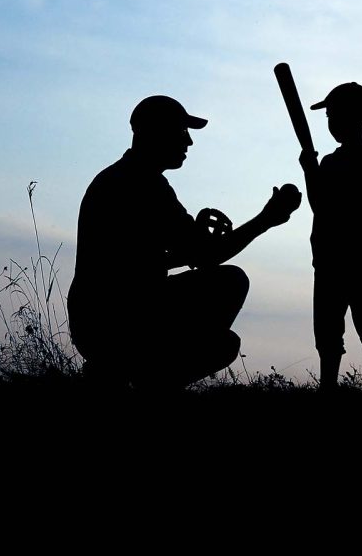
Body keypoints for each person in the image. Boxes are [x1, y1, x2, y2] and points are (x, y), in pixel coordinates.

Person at [68, 95, 302, 389]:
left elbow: (135, 261)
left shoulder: (121, 178)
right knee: (230, 288)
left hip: (94, 322)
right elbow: (208, 255)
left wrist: (188, 249)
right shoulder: (146, 186)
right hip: (121, 321)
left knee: (223, 342)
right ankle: (152, 381)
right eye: (181, 132)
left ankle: (114, 373)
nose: (189, 142)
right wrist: (266, 219)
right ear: (156, 133)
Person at [299, 82, 362, 391]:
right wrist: (310, 170)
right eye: (330, 117)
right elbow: (318, 205)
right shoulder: (328, 161)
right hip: (326, 256)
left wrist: (338, 188)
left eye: (336, 115)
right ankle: (328, 386)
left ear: (359, 117)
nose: (332, 123)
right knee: (326, 326)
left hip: (357, 253)